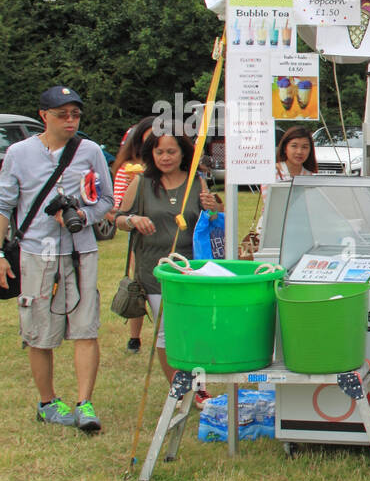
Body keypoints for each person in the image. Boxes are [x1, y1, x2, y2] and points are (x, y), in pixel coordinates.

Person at [0, 86, 114, 431]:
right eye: (62, 114)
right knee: (39, 332)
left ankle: (84, 404)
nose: (70, 121)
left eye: (75, 114)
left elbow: (106, 200)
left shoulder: (90, 151)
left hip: (80, 250)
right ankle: (48, 403)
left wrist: (82, 214)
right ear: (43, 116)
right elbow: (4, 204)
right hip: (36, 252)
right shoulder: (19, 153)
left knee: (86, 327)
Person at [115, 129, 221, 388]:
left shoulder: (197, 182)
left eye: (171, 151)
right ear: (151, 153)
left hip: (192, 269)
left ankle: (198, 385)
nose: (165, 157)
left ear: (183, 153)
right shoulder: (141, 183)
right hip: (155, 271)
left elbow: (213, 221)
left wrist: (214, 207)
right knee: (167, 332)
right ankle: (181, 388)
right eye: (159, 151)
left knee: (196, 329)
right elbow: (118, 219)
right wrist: (133, 220)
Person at [110, 117, 150, 353]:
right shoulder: (127, 168)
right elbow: (117, 207)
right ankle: (134, 336)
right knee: (139, 284)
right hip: (139, 234)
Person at [256, 125, 317, 236]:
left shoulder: (310, 176)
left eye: (305, 147)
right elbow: (273, 204)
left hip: (301, 231)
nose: (299, 151)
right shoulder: (271, 173)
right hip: (273, 231)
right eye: (294, 146)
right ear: (285, 148)